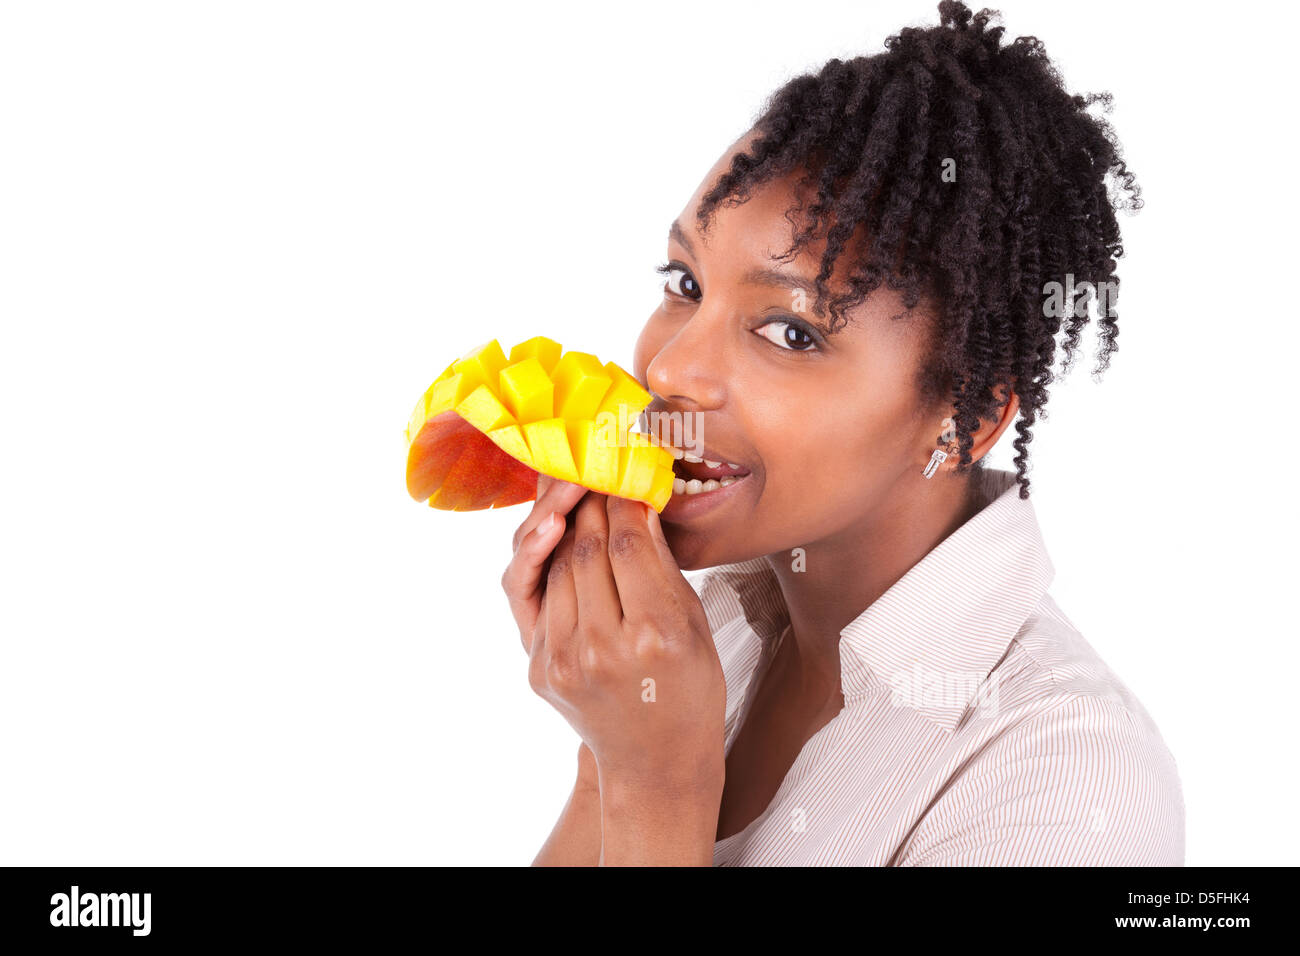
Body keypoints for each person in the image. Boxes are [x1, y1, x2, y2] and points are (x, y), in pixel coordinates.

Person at [502, 0, 1183, 866]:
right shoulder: (714, 628)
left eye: (790, 331)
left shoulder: (1067, 779)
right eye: (683, 281)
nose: (670, 370)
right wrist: (609, 756)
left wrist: (657, 786)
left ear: (965, 416)